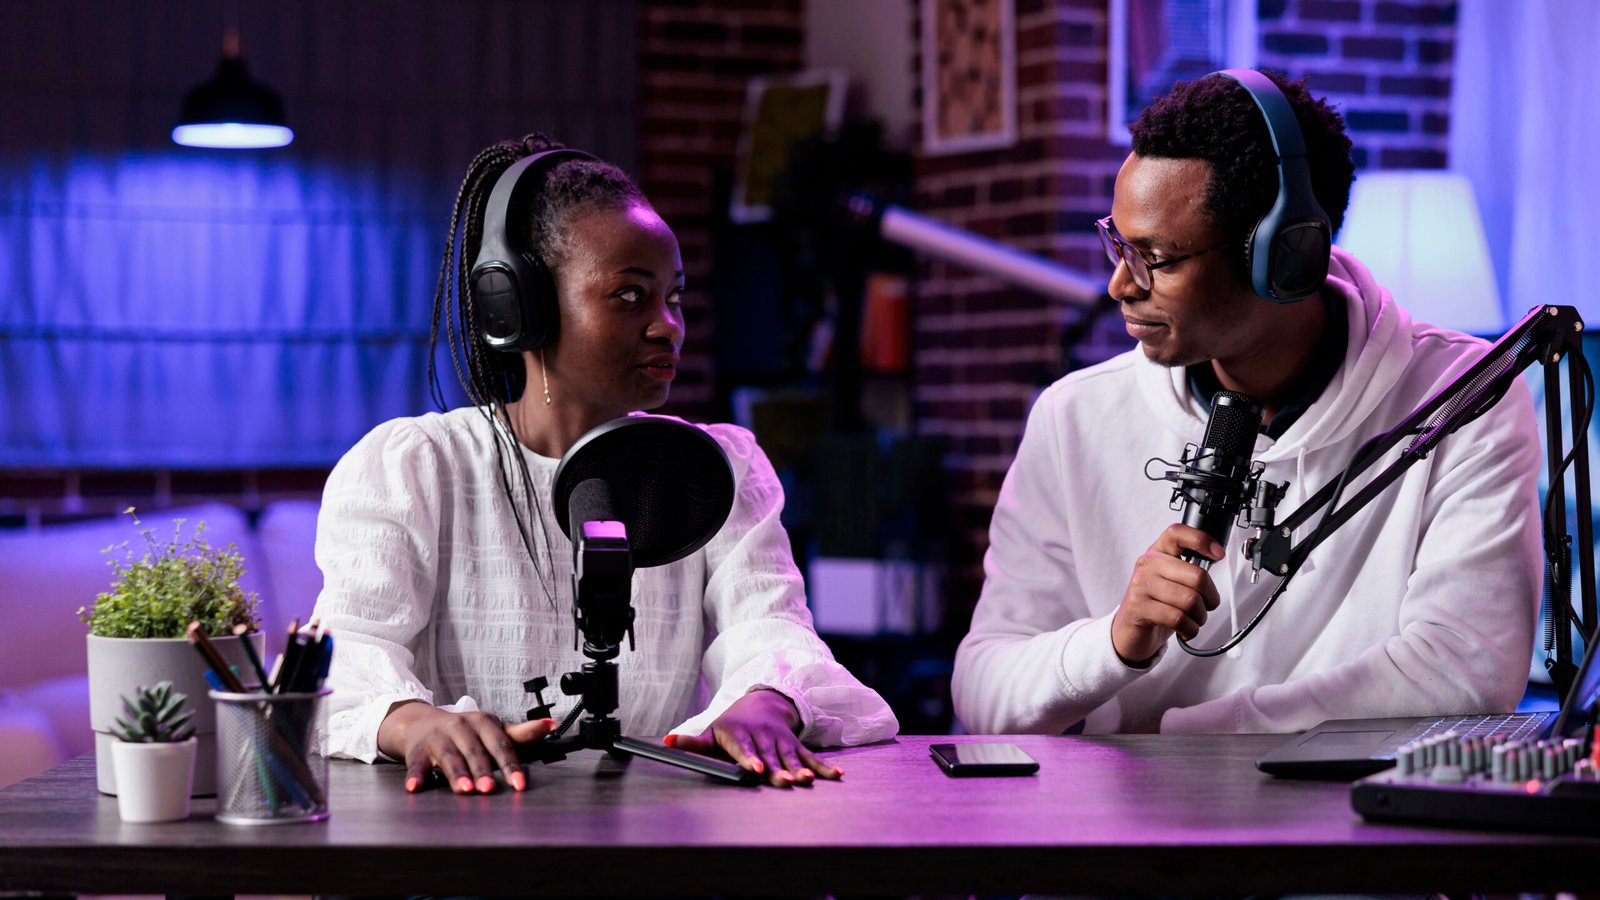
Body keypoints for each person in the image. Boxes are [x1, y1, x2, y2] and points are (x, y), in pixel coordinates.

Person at [952, 70, 1542, 736]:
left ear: (1287, 257)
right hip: (1128, 802)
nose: (1120, 284)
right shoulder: (1074, 417)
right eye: (1117, 242)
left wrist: (1184, 743)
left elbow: (1465, 669)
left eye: (1155, 257)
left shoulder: (1463, 401)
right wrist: (1113, 644)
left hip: (1340, 804)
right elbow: (983, 689)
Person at [312, 134, 898, 791]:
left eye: (674, 297)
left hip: (659, 834)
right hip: (460, 838)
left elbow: (771, 627)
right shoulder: (415, 468)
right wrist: (410, 721)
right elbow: (345, 655)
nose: (669, 325)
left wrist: (769, 698)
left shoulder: (718, 468)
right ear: (520, 308)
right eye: (629, 295)